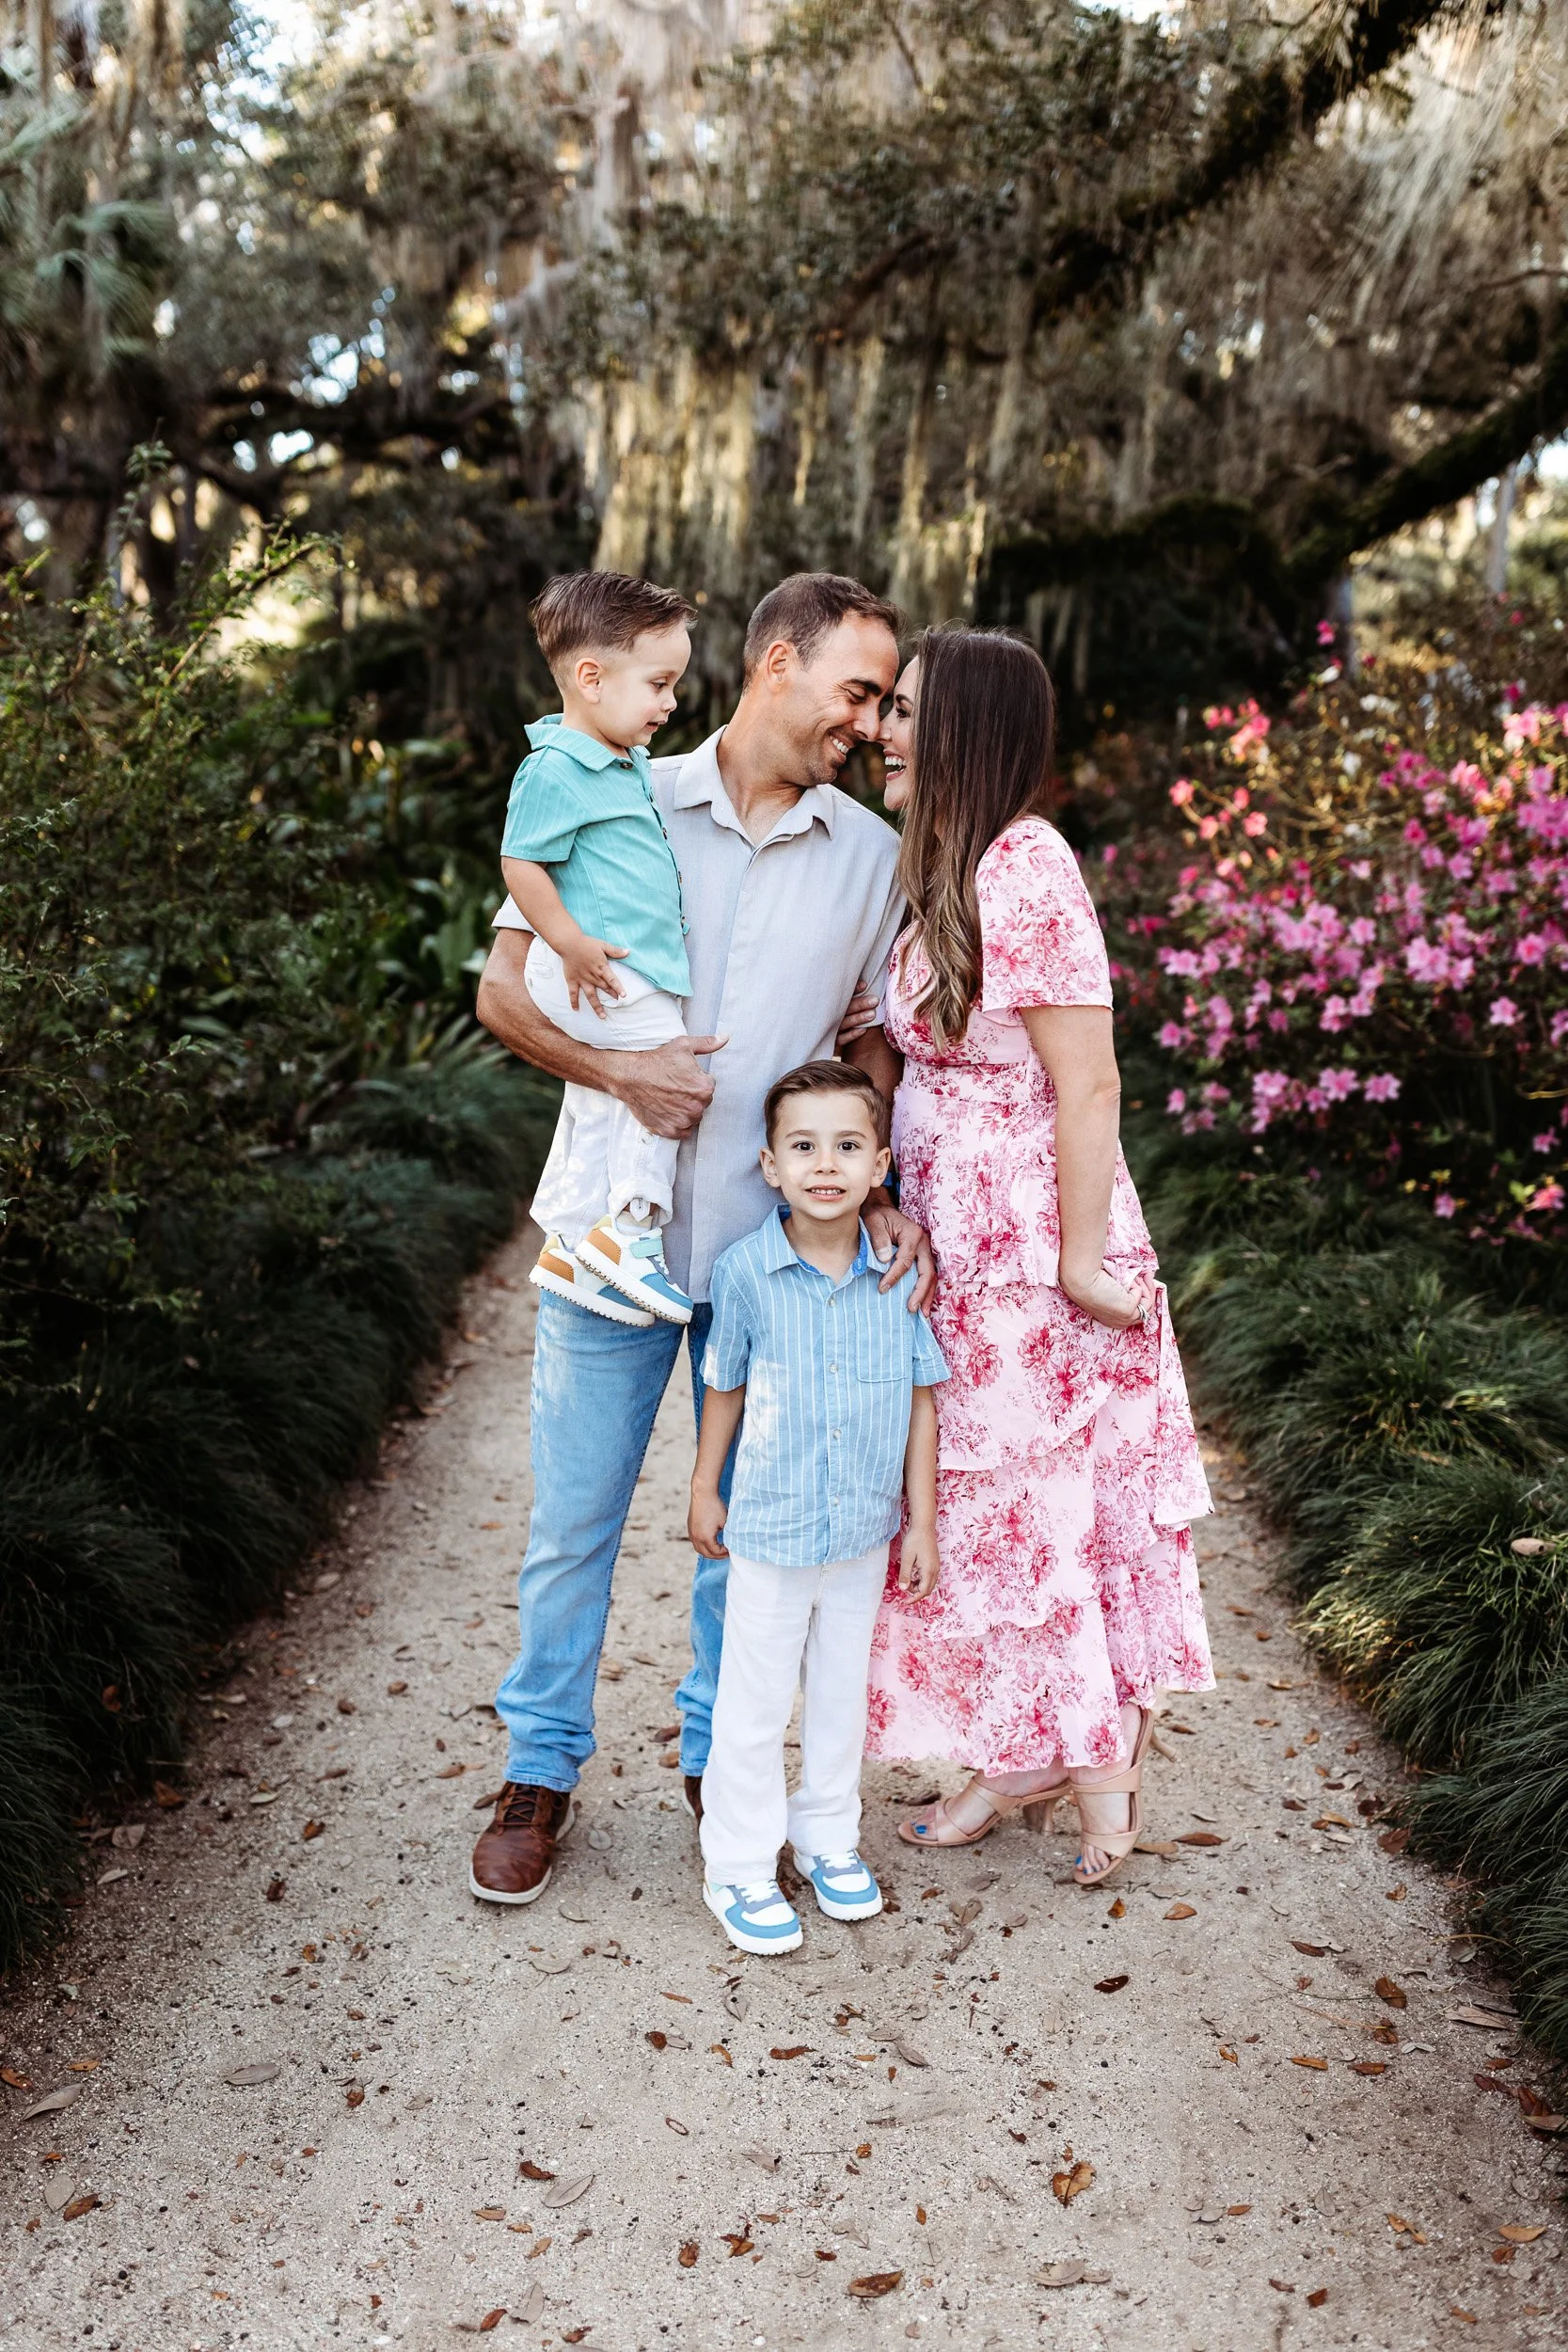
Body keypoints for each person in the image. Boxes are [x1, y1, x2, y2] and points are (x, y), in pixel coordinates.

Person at [468, 573, 934, 1907]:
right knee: (574, 1525)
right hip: (607, 1244)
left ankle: (719, 1764)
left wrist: (873, 1168)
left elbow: (867, 1037)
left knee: (750, 1529)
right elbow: (506, 995)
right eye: (855, 689)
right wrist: (622, 1079)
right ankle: (538, 1770)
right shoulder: (621, 788)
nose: (868, 719)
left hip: (770, 1264)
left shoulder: (870, 857)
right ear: (776, 664)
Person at [860, 626, 1214, 1887]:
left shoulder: (1028, 864)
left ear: (961, 730)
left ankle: (1098, 1772)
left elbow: (1088, 1080)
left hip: (1031, 1257)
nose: (879, 732)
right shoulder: (941, 868)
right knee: (979, 1513)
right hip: (954, 1250)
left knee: (1055, 1511)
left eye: (902, 713)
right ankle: (1017, 1755)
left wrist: (1073, 1262)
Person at [689, 1061, 947, 1954]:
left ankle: (829, 1838)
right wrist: (701, 1488)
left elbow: (920, 1399)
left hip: (864, 1532)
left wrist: (919, 1521)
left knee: (840, 1697)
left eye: (846, 1146)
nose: (824, 1164)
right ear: (769, 1165)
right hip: (770, 1526)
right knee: (754, 1701)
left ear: (880, 1165)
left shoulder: (899, 1275)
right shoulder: (748, 1272)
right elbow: (722, 1383)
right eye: (803, 1147)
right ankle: (738, 1862)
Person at [500, 569, 699, 1327]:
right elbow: (520, 861)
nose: (670, 701)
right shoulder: (554, 766)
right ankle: (631, 1230)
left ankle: (565, 1237)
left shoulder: (623, 763)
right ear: (590, 678)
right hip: (597, 970)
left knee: (600, 1096)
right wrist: (569, 941)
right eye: (658, 683)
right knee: (670, 1079)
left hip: (625, 967)